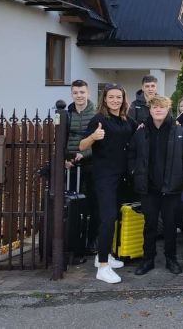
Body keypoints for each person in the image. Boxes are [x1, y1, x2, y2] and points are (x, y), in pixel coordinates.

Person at [128, 95, 183, 276]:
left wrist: (180, 175)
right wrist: (135, 172)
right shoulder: (141, 131)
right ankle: (148, 259)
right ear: (149, 110)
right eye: (155, 107)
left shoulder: (179, 131)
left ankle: (171, 259)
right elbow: (131, 154)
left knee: (170, 225)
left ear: (168, 109)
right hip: (148, 188)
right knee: (149, 225)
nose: (158, 110)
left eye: (162, 107)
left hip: (171, 188)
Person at [80, 84, 138, 284]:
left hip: (121, 176)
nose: (115, 100)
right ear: (104, 99)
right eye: (111, 97)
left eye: (118, 97)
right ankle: (103, 267)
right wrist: (93, 137)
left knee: (114, 217)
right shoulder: (98, 120)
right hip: (104, 176)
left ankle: (102, 256)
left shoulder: (127, 120)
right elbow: (82, 145)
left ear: (123, 99)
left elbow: (139, 134)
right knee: (108, 218)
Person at [65, 79, 99, 255]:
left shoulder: (96, 113)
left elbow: (100, 140)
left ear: (88, 93)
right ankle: (72, 240)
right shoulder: (66, 114)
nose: (79, 96)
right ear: (72, 94)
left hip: (91, 165)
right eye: (76, 93)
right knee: (71, 204)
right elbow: (61, 139)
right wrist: (65, 158)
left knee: (94, 204)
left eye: (82, 92)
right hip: (71, 166)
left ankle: (92, 240)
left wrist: (84, 154)